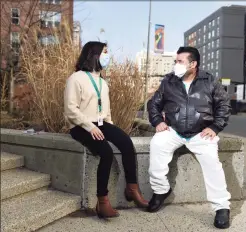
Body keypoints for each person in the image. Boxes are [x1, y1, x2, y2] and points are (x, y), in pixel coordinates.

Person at [147, 46, 231, 229]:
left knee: (212, 164)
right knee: (157, 145)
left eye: (180, 61)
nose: (176, 65)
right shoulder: (168, 81)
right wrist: (156, 121)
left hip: (201, 133)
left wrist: (215, 127)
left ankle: (221, 207)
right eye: (175, 61)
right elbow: (153, 104)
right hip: (174, 131)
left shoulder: (210, 81)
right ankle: (160, 190)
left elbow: (224, 106)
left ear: (193, 64)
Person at [64, 41, 148, 218]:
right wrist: (89, 126)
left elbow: (106, 111)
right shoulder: (76, 78)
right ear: (94, 54)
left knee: (126, 142)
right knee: (106, 152)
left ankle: (132, 188)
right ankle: (102, 202)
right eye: (105, 52)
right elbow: (71, 110)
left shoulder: (103, 82)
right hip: (81, 126)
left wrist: (111, 128)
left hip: (101, 123)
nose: (108, 56)